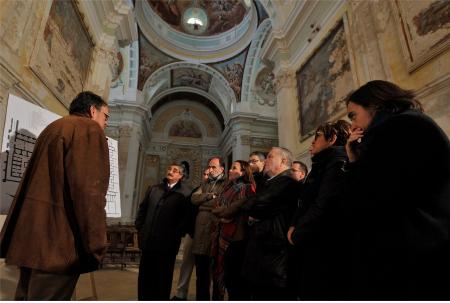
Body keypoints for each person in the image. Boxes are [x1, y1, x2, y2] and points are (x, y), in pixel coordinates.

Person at [343, 80, 450, 299]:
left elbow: (371, 194)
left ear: (373, 105)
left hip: (411, 249)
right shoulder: (411, 123)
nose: (353, 125)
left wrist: (356, 160)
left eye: (353, 115)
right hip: (423, 242)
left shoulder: (395, 129)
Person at [0, 91, 110, 300]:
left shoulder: (54, 127)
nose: (105, 123)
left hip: (33, 239)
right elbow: (89, 193)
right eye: (106, 116)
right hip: (59, 244)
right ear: (92, 110)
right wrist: (96, 243)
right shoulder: (88, 130)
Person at [287, 120, 350, 299]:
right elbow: (304, 201)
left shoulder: (337, 162)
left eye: (317, 137)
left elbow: (324, 203)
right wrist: (294, 225)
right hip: (312, 239)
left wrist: (298, 232)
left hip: (323, 243)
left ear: (332, 138)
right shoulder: (322, 164)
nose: (312, 142)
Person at [242, 147, 299, 300]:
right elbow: (251, 205)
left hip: (273, 255)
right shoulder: (269, 182)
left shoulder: (287, 182)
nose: (266, 160)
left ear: (284, 161)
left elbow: (256, 206)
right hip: (263, 253)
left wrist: (253, 209)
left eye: (270, 157)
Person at [135, 162, 192, 300]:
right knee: (145, 277)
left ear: (181, 175)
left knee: (162, 278)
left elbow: (185, 219)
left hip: (167, 245)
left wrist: (175, 235)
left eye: (175, 170)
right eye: (169, 169)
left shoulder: (185, 193)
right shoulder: (154, 189)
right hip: (148, 241)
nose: (170, 171)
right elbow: (142, 209)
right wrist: (141, 228)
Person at [211, 160, 256, 300]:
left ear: (243, 172)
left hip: (236, 239)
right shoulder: (227, 188)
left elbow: (230, 210)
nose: (230, 170)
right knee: (224, 276)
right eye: (230, 168)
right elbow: (216, 207)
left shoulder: (248, 188)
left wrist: (222, 212)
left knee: (234, 281)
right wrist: (222, 212)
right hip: (222, 234)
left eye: (234, 168)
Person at [191, 157, 226, 300]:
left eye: (213, 167)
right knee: (201, 275)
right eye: (209, 167)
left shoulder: (226, 184)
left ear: (222, 169)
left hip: (215, 232)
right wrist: (210, 196)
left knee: (217, 275)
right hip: (200, 234)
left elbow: (220, 203)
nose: (210, 170)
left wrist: (203, 202)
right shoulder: (205, 183)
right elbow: (193, 198)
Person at [171, 168, 209, 301]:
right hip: (192, 233)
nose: (206, 176)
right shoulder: (195, 191)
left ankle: (203, 296)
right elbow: (188, 212)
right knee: (186, 264)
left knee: (204, 269)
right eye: (204, 174)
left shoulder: (216, 191)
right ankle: (181, 293)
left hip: (206, 235)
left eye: (208, 174)